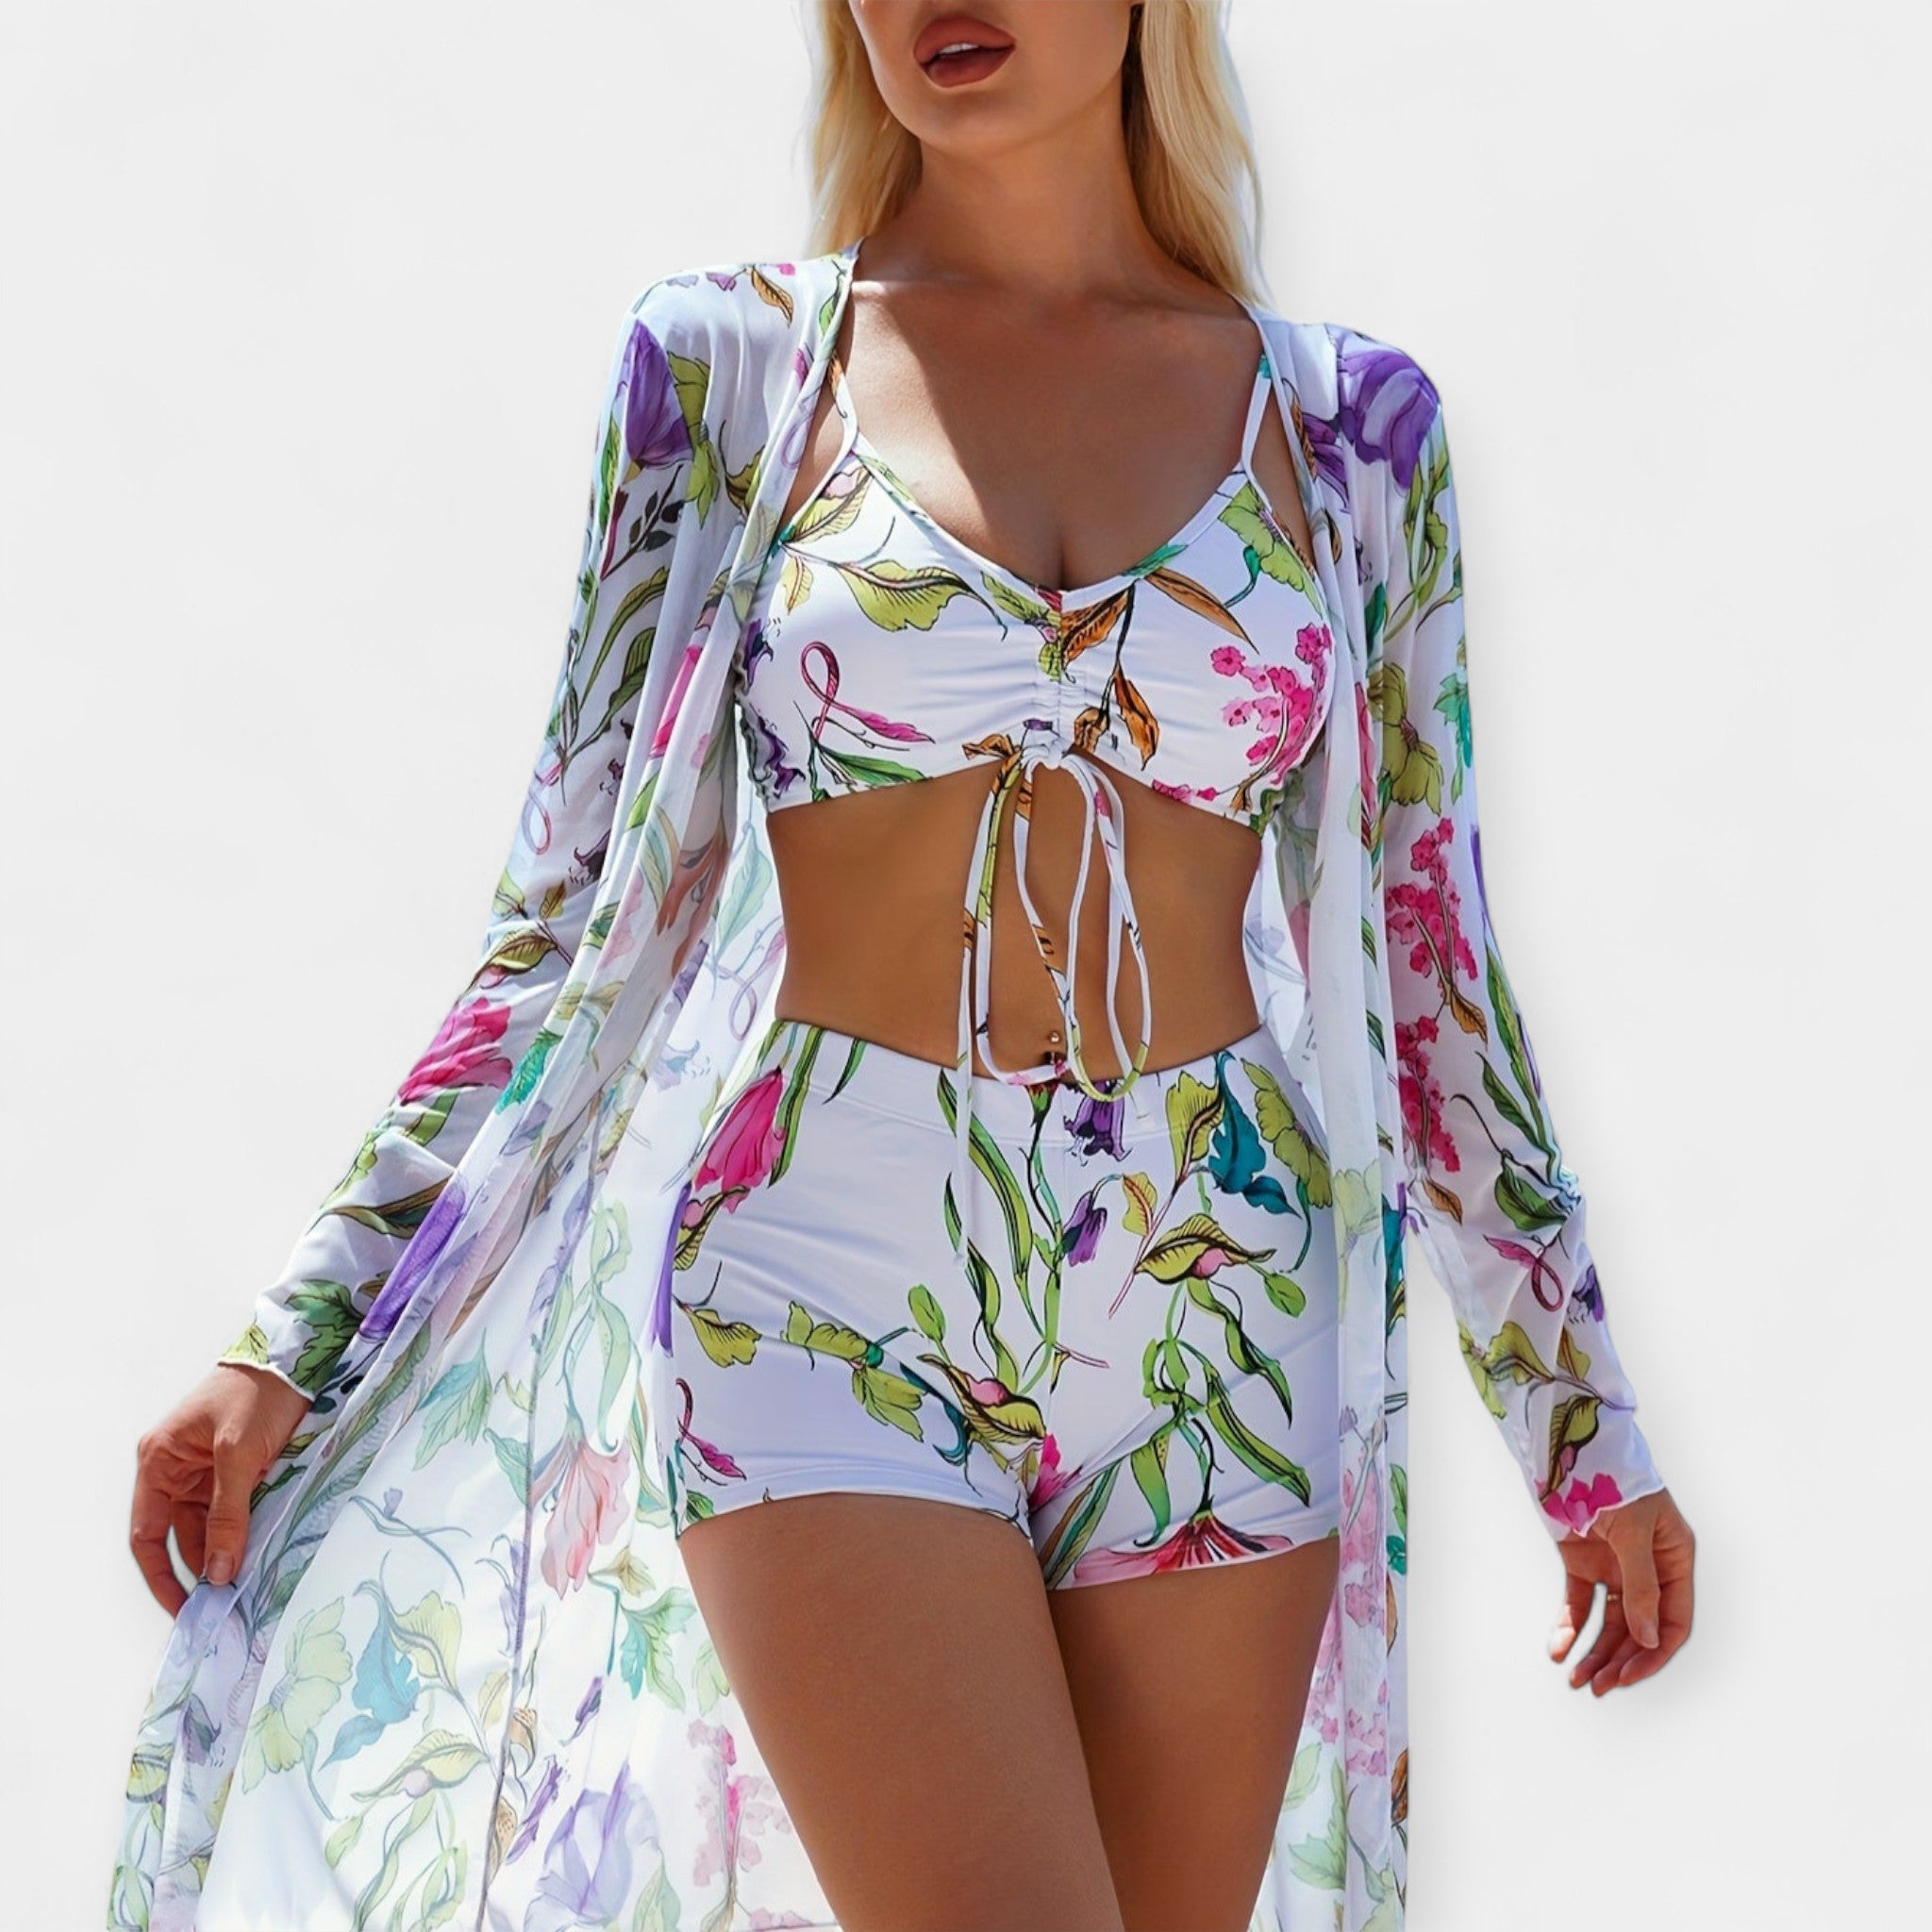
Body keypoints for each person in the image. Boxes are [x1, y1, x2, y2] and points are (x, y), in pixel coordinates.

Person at [110, 6, 1696, 1930]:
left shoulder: (1354, 431)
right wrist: (292, 1336)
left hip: (1219, 1289)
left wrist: (1580, 1421)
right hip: (824, 1284)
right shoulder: (728, 371)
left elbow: (1432, 958)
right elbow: (564, 919)